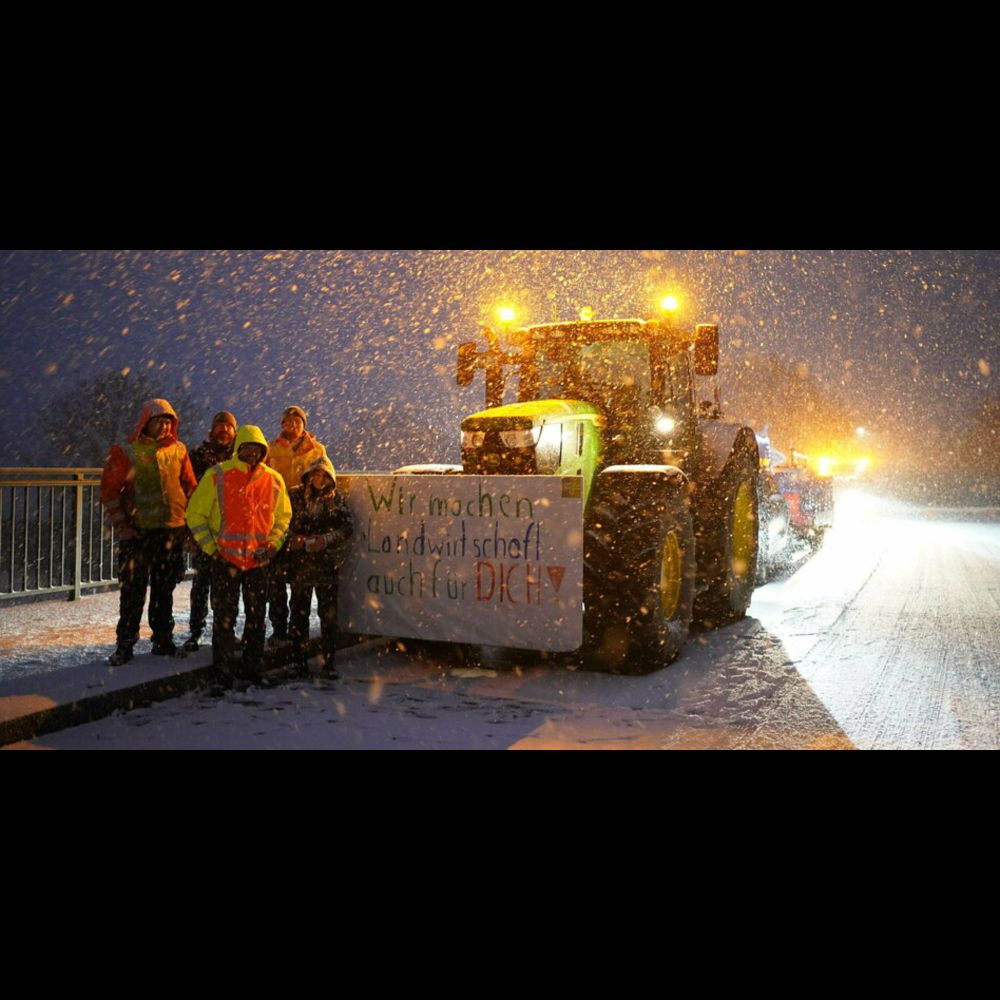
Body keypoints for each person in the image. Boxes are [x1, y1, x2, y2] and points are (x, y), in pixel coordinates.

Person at [185, 425, 291, 681]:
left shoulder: (274, 479)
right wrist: (212, 549)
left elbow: (283, 518)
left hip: (257, 561)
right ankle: (224, 671)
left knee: (255, 618)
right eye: (247, 448)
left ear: (264, 451)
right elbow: (194, 514)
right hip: (226, 560)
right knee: (225, 618)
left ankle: (252, 668)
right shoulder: (217, 475)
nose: (253, 453)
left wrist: (272, 546)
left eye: (258, 449)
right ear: (238, 449)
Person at [100, 398, 198, 665]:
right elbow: (109, 492)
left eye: (169, 422)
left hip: (171, 532)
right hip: (138, 533)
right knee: (133, 591)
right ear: (147, 422)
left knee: (164, 590)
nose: (165, 426)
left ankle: (162, 640)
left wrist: (189, 526)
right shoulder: (125, 451)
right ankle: (125, 644)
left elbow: (191, 488)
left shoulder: (179, 450)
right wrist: (124, 527)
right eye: (160, 421)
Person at [285, 456, 353, 678]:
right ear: (308, 475)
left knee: (329, 616)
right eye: (315, 474)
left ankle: (329, 661)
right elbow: (281, 522)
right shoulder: (294, 495)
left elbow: (347, 528)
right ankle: (298, 661)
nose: (318, 479)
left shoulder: (337, 499)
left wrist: (325, 540)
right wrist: (295, 539)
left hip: (327, 564)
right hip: (300, 564)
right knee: (298, 614)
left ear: (330, 478)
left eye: (324, 475)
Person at [266, 406, 328, 644]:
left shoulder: (317, 449)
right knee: (277, 580)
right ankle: (279, 628)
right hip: (278, 517)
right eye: (288, 421)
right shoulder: (271, 449)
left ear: (304, 425)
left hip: (304, 519)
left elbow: (325, 477)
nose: (292, 426)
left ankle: (296, 628)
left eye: (297, 421)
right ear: (282, 424)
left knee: (300, 581)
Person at [182, 411, 238, 652]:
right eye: (220, 426)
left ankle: (224, 631)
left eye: (228, 427)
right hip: (205, 529)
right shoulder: (198, 456)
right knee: (202, 582)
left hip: (233, 532)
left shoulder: (242, 457)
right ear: (212, 430)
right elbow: (188, 493)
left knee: (226, 587)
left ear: (235, 432)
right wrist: (190, 531)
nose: (224, 430)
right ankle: (196, 631)